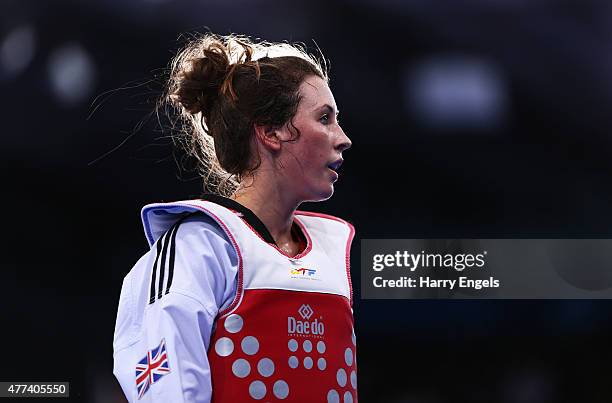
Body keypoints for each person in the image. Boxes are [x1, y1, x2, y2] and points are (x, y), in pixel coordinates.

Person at [112, 33, 357, 403]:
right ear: (272, 132)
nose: (343, 138)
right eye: (325, 118)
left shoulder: (332, 253)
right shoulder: (202, 246)